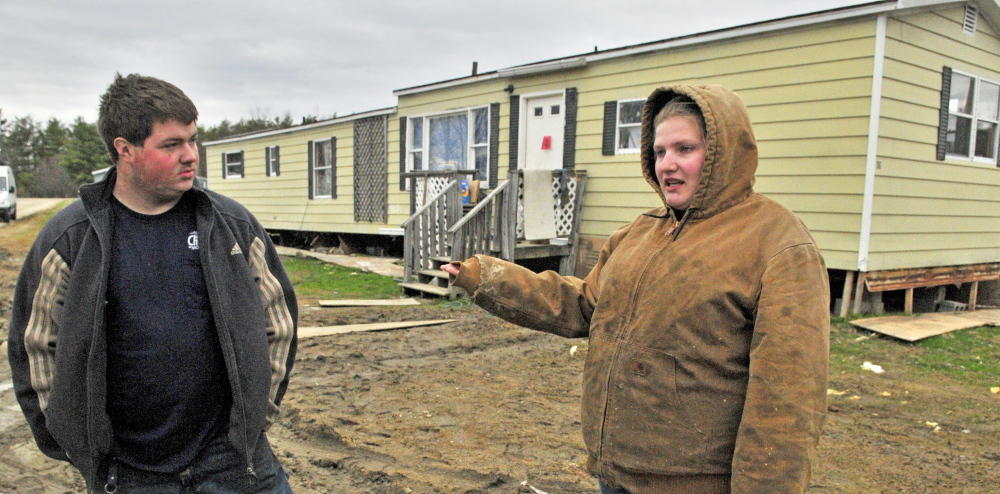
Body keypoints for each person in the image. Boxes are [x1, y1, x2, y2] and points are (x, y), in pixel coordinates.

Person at [442, 84, 829, 494]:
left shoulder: (778, 244)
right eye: (660, 152)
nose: (667, 164)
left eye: (685, 149)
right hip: (617, 472)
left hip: (694, 484)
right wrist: (486, 277)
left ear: (725, 152)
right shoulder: (640, 232)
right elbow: (582, 304)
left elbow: (788, 400)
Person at [7, 73, 298, 493]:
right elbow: (36, 347)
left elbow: (279, 324)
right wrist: (81, 445)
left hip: (232, 460)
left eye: (193, 140)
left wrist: (254, 416)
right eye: (171, 144)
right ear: (124, 149)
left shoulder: (231, 225)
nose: (191, 156)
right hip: (128, 471)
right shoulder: (71, 239)